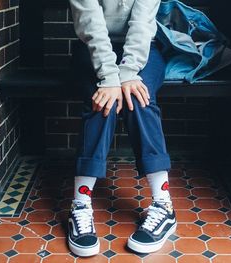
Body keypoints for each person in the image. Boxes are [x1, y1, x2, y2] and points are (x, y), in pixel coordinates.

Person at [67, 0, 177, 257]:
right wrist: (109, 78)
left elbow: (141, 23)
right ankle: (80, 206)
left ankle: (164, 206)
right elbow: (91, 23)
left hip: (142, 50)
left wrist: (127, 73)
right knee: (104, 100)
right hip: (93, 48)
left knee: (138, 97)